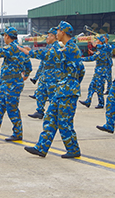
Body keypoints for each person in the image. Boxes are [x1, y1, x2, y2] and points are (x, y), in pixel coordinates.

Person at [22, 21, 83, 158]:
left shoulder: (71, 48)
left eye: (58, 31)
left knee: (64, 122)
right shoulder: (67, 48)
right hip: (61, 89)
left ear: (63, 32)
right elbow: (82, 71)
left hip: (67, 91)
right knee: (50, 118)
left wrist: (29, 51)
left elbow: (48, 56)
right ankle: (41, 147)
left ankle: (73, 149)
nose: (56, 33)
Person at [27, 27, 59, 120]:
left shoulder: (56, 47)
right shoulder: (49, 46)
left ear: (53, 36)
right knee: (40, 93)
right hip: (45, 74)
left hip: (52, 76)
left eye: (48, 36)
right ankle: (39, 111)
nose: (47, 38)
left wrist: (30, 52)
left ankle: (54, 114)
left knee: (52, 96)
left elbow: (44, 55)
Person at [79, 34, 110, 109]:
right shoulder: (100, 50)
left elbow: (93, 58)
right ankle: (88, 101)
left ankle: (101, 103)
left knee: (99, 88)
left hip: (101, 72)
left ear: (100, 42)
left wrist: (81, 59)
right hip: (98, 71)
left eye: (97, 40)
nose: (96, 41)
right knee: (92, 86)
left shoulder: (102, 50)